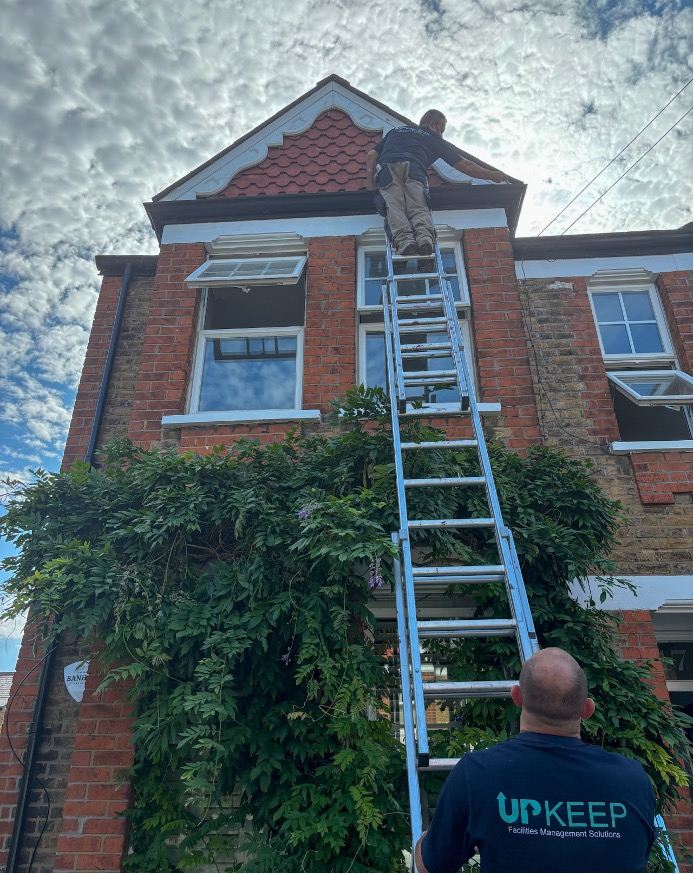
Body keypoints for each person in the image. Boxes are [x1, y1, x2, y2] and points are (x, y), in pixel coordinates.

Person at [415, 647, 656, 873]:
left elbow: (430, 866)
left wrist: (436, 834)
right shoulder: (633, 780)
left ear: (517, 696)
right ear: (587, 708)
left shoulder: (477, 774)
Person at [365, 110, 509, 256]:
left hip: (388, 169)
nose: (441, 134)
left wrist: (370, 185)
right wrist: (492, 175)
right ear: (434, 125)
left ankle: (405, 242)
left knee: (394, 206)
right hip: (414, 168)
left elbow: (371, 155)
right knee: (418, 206)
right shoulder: (433, 138)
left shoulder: (396, 130)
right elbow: (464, 165)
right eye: (441, 130)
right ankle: (424, 240)